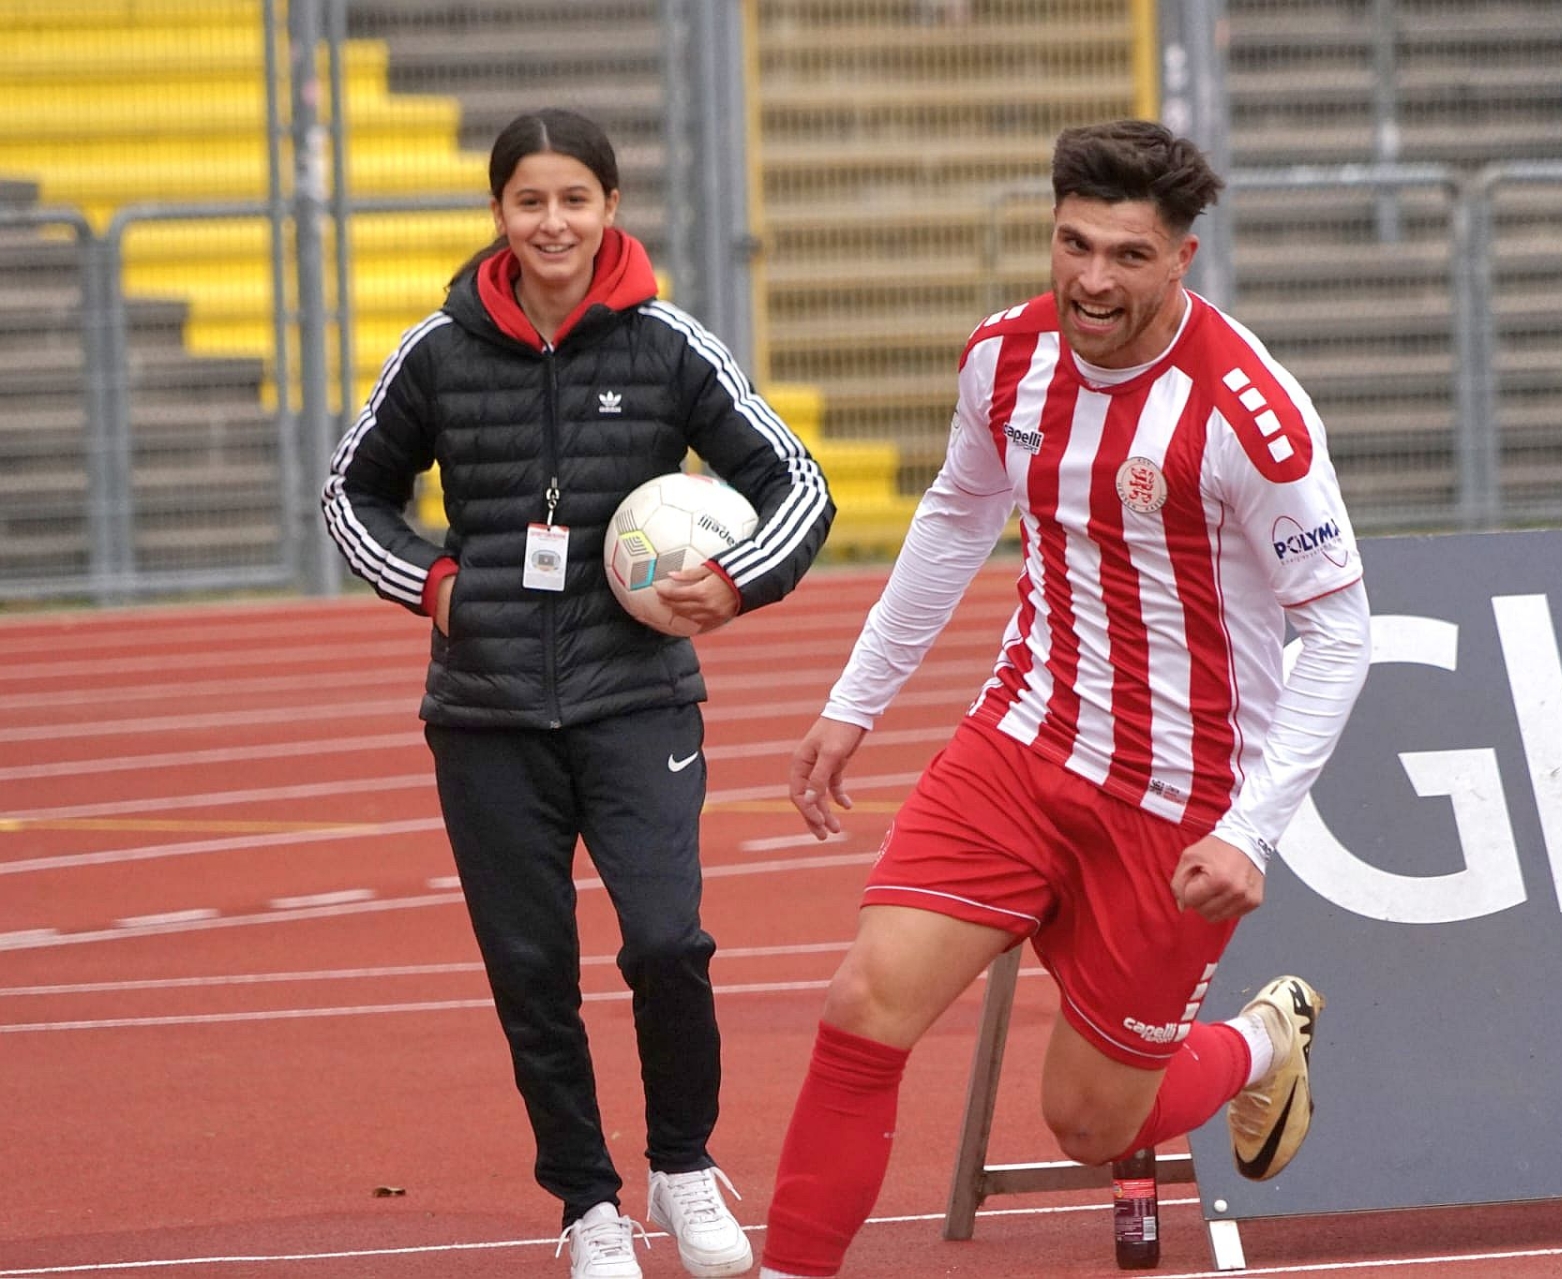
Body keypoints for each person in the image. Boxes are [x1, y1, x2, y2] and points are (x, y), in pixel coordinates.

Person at [761, 119, 1372, 1278]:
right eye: (1073, 244)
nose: (1093, 279)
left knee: (1091, 1122)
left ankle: (1259, 1040)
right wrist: (856, 700)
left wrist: (1251, 830)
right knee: (864, 1004)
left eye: (1128, 255)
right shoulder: (1004, 359)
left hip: (1176, 797)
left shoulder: (1250, 414)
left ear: (1183, 257)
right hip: (1022, 742)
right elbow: (957, 516)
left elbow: (1339, 633)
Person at [322, 107, 834, 1279]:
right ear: (498, 212)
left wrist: (737, 581)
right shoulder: (438, 352)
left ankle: (683, 1164)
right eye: (529, 201)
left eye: (574, 199)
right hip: (486, 714)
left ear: (611, 207)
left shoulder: (669, 345)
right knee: (533, 972)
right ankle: (588, 1204)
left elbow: (796, 482)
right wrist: (432, 585)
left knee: (668, 941)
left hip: (637, 700)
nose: (552, 222)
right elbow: (353, 493)